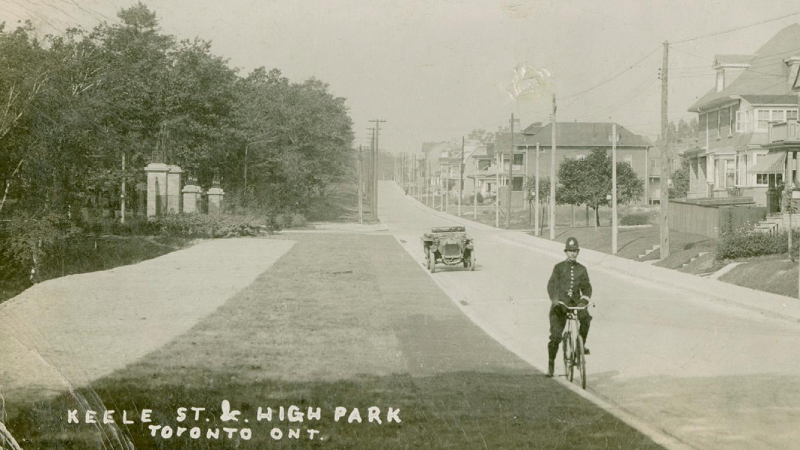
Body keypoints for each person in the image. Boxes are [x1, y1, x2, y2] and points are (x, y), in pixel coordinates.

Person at [545, 237, 592, 378]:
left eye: (575, 251)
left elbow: (587, 287)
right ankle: (551, 364)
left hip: (575, 305)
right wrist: (555, 300)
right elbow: (551, 285)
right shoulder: (558, 268)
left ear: (578, 252)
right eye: (570, 251)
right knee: (556, 337)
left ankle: (580, 345)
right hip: (560, 305)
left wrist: (583, 301)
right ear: (566, 252)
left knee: (586, 318)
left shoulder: (582, 270)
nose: (572, 254)